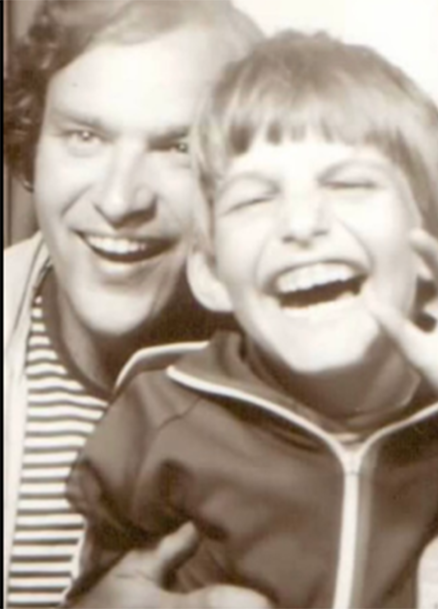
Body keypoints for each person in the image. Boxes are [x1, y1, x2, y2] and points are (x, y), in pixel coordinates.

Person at [62, 31, 438, 609]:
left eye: (349, 184)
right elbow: (100, 588)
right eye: (254, 199)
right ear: (212, 272)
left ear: (433, 243)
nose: (301, 223)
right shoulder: (156, 418)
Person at [2, 1, 273, 607]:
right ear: (31, 144)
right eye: (85, 135)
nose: (121, 199)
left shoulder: (320, 378)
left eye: (179, 146)